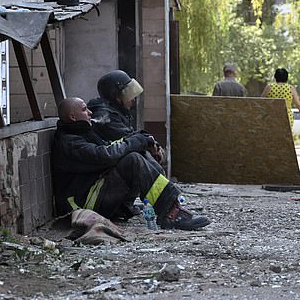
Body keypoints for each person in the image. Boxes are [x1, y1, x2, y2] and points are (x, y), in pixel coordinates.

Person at [52, 97, 210, 230]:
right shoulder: (70, 142)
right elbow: (106, 155)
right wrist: (137, 141)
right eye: (85, 109)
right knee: (132, 161)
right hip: (82, 204)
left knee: (135, 153)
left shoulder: (79, 133)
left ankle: (159, 205)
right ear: (73, 117)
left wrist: (141, 140)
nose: (90, 113)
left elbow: (109, 146)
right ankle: (171, 214)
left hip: (92, 193)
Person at [87, 70, 164, 164]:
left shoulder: (116, 112)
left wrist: (153, 143)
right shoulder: (105, 117)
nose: (133, 100)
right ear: (116, 96)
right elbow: (131, 139)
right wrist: (150, 143)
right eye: (129, 95)